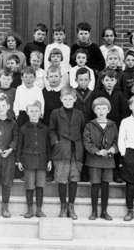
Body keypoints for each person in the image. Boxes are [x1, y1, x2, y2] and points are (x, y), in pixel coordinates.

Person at [49, 87, 85, 220]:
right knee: (62, 179)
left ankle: (71, 206)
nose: (68, 101)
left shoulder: (79, 114)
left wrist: (79, 144)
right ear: (61, 100)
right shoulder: (55, 113)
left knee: (73, 178)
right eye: (65, 99)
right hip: (62, 149)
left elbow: (82, 130)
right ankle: (63, 206)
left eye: (70, 99)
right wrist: (56, 142)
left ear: (75, 99)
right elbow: (52, 129)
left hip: (76, 149)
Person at [83, 97, 118, 221]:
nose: (101, 111)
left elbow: (116, 141)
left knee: (105, 185)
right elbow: (87, 142)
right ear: (94, 110)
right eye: (98, 108)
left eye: (104, 108)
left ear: (108, 110)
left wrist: (113, 149)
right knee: (95, 185)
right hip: (94, 160)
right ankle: (94, 211)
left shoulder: (112, 125)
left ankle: (104, 211)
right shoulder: (90, 125)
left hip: (108, 160)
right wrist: (97, 151)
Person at [16, 100, 52, 218]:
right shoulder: (23, 128)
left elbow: (48, 145)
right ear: (27, 112)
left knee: (40, 185)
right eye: (31, 111)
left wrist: (49, 160)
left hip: (42, 160)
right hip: (28, 160)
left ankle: (39, 210)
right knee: (30, 185)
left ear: (40, 112)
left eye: (36, 111)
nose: (34, 113)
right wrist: (18, 160)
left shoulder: (45, 128)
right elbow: (19, 145)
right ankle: (30, 210)